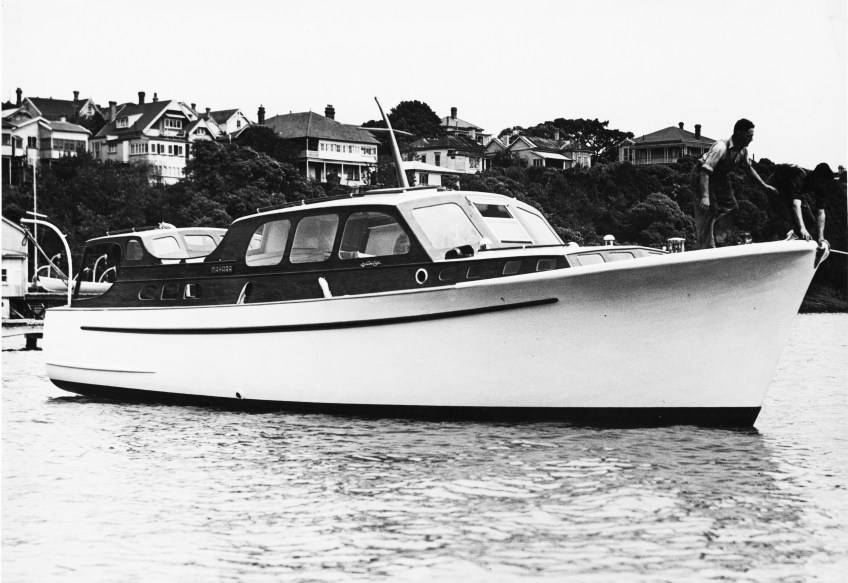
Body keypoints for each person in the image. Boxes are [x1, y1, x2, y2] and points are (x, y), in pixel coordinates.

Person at [691, 118, 778, 248]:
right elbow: (705, 172)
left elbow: (749, 169)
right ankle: (707, 247)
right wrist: (705, 196)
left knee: (732, 207)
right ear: (738, 134)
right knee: (709, 209)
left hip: (719, 177)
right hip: (702, 175)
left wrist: (764, 186)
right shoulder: (721, 148)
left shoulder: (743, 151)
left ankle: (717, 239)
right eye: (749, 136)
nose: (751, 139)